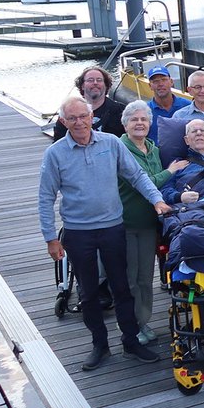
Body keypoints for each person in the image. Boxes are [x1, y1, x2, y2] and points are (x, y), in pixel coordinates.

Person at [39, 96, 170, 371]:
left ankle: (131, 340)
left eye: (83, 117)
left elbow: (136, 176)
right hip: (78, 232)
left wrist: (157, 199)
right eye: (72, 118)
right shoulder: (55, 153)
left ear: (92, 118)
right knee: (88, 293)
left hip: (112, 227)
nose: (79, 122)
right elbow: (45, 196)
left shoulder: (110, 143)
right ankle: (100, 344)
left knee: (121, 288)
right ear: (63, 122)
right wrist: (50, 237)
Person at [118, 100, 189, 344]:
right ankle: (131, 325)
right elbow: (144, 183)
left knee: (145, 277)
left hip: (149, 223)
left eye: (144, 119)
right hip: (126, 222)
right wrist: (172, 170)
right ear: (125, 124)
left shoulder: (153, 148)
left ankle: (143, 320)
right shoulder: (122, 148)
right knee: (130, 278)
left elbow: (162, 185)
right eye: (134, 119)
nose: (140, 123)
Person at [52, 65, 125, 140]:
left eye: (99, 80)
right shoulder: (68, 112)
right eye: (90, 80)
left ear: (106, 85)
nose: (95, 83)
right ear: (82, 86)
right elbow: (58, 140)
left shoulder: (121, 111)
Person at [145, 64, 190, 143]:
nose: (160, 84)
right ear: (150, 86)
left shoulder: (187, 105)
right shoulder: (145, 111)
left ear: (171, 82)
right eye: (155, 81)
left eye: (164, 79)